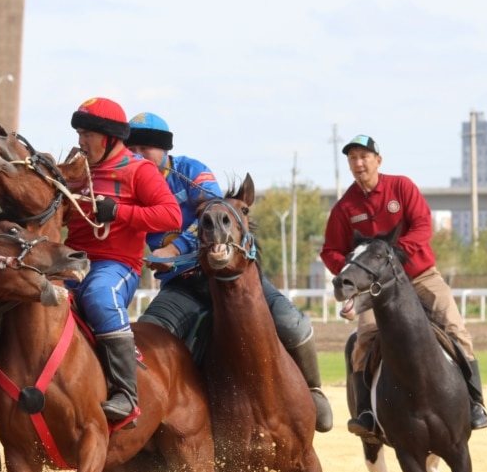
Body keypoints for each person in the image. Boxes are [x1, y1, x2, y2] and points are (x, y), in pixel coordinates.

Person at [129, 112, 333, 432]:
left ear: (165, 149)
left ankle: (313, 390)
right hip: (180, 285)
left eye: (146, 148)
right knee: (146, 337)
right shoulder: (128, 181)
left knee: (292, 323)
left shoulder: (192, 172)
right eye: (133, 148)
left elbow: (215, 213)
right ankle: (148, 419)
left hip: (231, 274)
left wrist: (175, 249)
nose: (138, 155)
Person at [320, 134, 487, 440]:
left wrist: (397, 257)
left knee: (455, 327)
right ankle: (366, 415)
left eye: (364, 157)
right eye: (353, 159)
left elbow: (423, 225)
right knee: (363, 341)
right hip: (376, 290)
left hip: (421, 277)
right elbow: (329, 250)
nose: (359, 164)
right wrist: (356, 270)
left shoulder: (402, 187)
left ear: (378, 161)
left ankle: (476, 404)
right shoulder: (345, 206)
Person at [65, 98, 181, 426]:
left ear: (110, 138)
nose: (80, 141)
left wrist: (117, 211)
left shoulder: (139, 170)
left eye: (86, 134)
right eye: (78, 133)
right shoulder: (76, 171)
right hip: (71, 261)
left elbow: (170, 214)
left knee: (99, 296)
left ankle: (126, 395)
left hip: (115, 266)